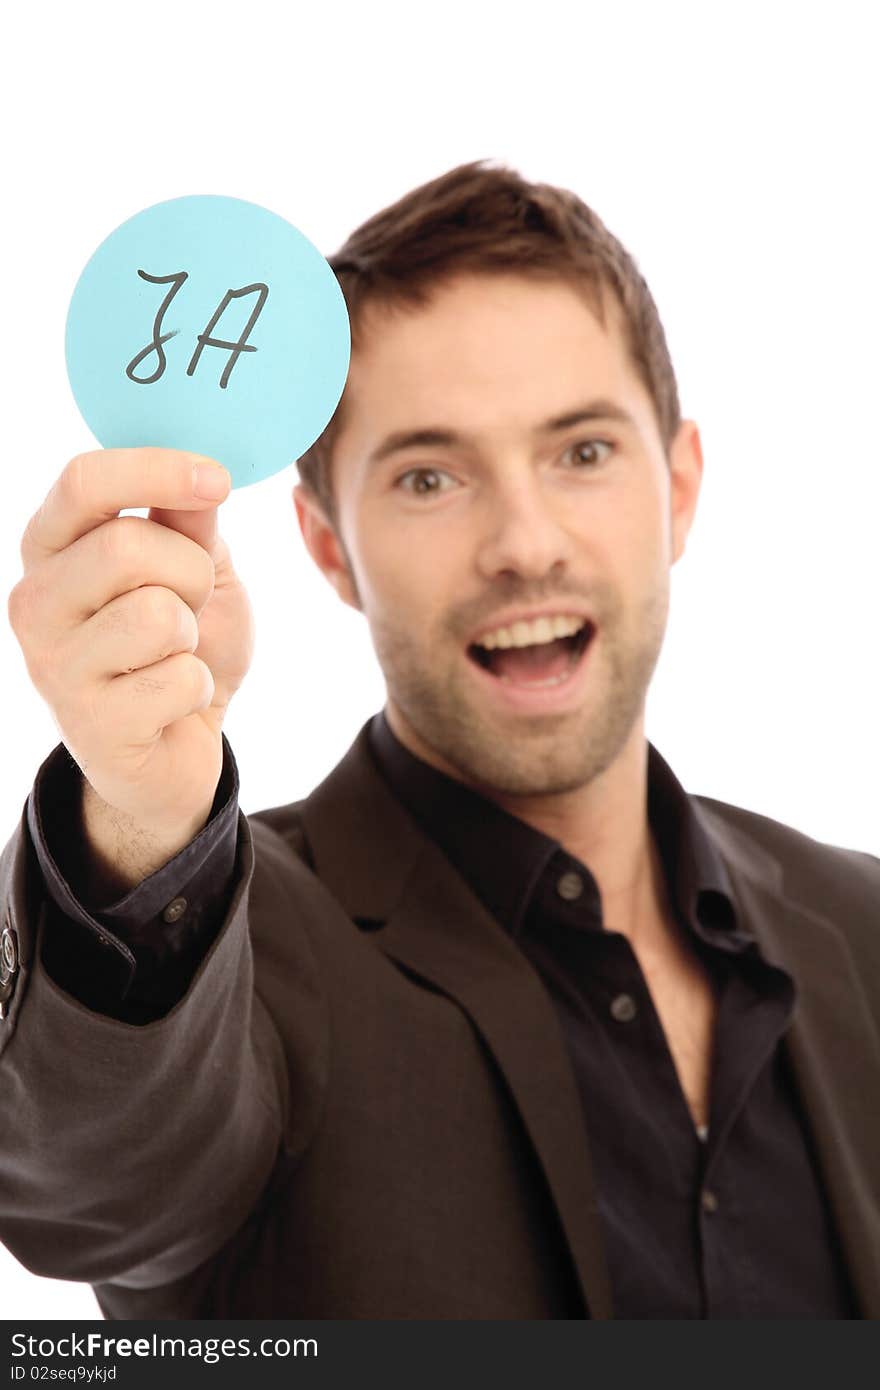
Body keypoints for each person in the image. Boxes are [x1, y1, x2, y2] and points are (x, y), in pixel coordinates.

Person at [1, 160, 878, 1321]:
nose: (524, 542)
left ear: (677, 488)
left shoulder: (859, 923)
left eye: (581, 452)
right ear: (326, 545)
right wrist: (140, 823)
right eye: (428, 476)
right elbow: (94, 1199)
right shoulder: (235, 959)